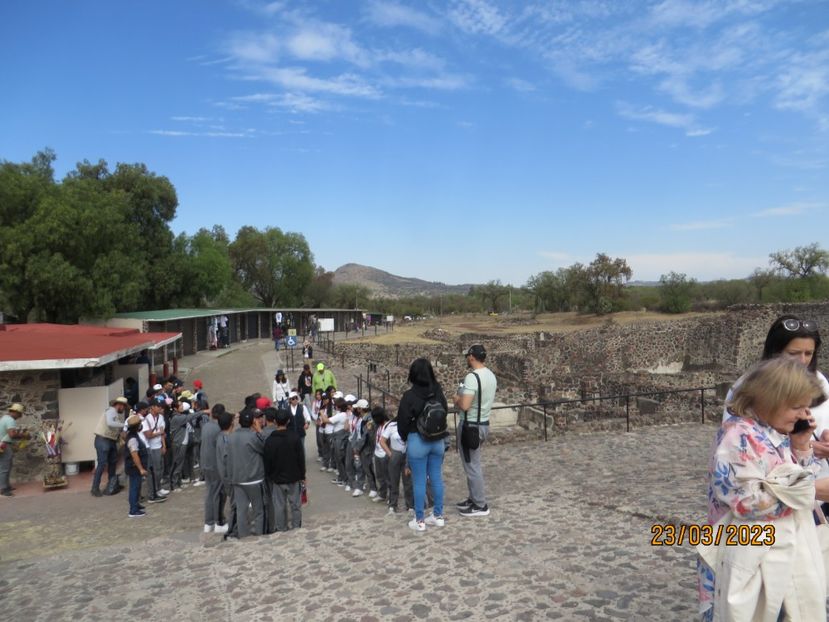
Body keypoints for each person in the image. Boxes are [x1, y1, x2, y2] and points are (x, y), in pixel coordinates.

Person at [698, 357, 826, 621]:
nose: (804, 415)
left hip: (768, 560)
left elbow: (786, 479)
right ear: (770, 399)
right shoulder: (739, 438)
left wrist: (800, 447)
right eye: (796, 407)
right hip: (744, 560)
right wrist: (812, 491)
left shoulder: (768, 433)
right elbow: (747, 504)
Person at [397, 358, 449, 532]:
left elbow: (402, 423)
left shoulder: (409, 396)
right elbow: (444, 412)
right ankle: (438, 515)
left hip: (418, 440)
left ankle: (419, 520)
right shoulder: (438, 391)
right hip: (437, 440)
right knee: (436, 478)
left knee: (419, 481)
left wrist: (407, 437)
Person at [453, 344, 497, 517]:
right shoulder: (491, 375)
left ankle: (480, 504)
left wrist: (456, 398)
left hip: (470, 426)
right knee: (473, 464)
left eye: (467, 356)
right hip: (483, 423)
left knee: (472, 466)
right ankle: (473, 498)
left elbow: (465, 405)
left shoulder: (472, 377)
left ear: (471, 357)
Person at [263, 409, 306, 531]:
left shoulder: (270, 440)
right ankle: (297, 527)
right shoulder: (294, 437)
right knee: (295, 505)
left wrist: (270, 476)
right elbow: (300, 459)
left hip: (277, 479)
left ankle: (282, 528)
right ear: (288, 421)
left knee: (279, 506)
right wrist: (303, 476)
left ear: (275, 422)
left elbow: (267, 461)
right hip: (294, 477)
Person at [226, 410, 266, 538]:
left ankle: (243, 536)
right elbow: (264, 447)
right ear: (252, 422)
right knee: (258, 510)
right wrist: (259, 430)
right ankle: (260, 534)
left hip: (238, 479)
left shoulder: (231, 437)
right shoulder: (253, 436)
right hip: (254, 478)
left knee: (241, 510)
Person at [91, 396, 129, 497]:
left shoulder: (114, 413)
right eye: (123, 407)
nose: (124, 409)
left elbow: (113, 426)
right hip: (104, 440)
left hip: (108, 441)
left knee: (112, 463)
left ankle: (111, 485)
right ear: (119, 405)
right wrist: (124, 424)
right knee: (102, 464)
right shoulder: (111, 411)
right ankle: (95, 488)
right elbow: (110, 423)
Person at [201, 404, 228, 534]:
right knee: (218, 494)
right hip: (215, 464)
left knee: (210, 493)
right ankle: (218, 522)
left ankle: (209, 522)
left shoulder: (206, 426)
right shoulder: (219, 429)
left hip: (206, 464)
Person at [381, 414, 413, 517]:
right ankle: (392, 505)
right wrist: (390, 453)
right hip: (395, 453)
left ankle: (410, 505)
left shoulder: (410, 425)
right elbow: (382, 441)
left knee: (408, 481)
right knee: (393, 481)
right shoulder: (391, 426)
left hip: (407, 454)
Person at [142, 397, 169, 499]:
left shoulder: (160, 418)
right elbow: (148, 435)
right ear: (152, 407)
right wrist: (159, 433)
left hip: (159, 446)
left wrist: (164, 445)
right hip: (151, 447)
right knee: (154, 470)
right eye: (158, 406)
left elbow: (162, 432)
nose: (159, 408)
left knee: (160, 468)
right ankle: (155, 489)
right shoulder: (147, 419)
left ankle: (158, 487)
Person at [0, 403, 30, 497]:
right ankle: (3, 489)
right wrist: (24, 435)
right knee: (5, 467)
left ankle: (6, 485)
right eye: (20, 414)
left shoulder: (4, 418)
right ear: (15, 412)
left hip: (2, 444)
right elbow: (12, 435)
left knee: (6, 466)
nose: (20, 417)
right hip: (4, 445)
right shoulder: (10, 420)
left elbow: (9, 433)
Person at [215, 410, 236, 539]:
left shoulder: (220, 437)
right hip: (229, 477)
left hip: (225, 476)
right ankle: (232, 530)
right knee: (235, 505)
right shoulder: (226, 439)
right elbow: (227, 460)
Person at [124, 414, 149, 518]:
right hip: (134, 467)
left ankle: (136, 505)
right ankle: (133, 510)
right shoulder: (132, 439)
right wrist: (141, 469)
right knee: (134, 487)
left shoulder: (134, 435)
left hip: (134, 467)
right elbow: (134, 455)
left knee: (137, 487)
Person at [371, 407, 390, 504]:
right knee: (379, 476)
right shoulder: (377, 426)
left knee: (388, 476)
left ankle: (391, 496)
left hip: (385, 454)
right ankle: (382, 494)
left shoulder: (389, 425)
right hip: (377, 453)